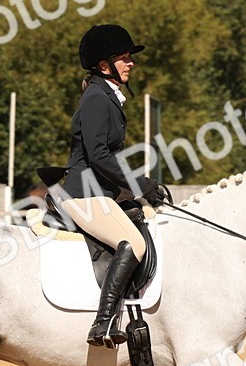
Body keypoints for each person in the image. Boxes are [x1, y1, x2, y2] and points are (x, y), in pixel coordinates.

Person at [59, 24, 167, 348]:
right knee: (134, 242)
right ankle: (103, 323)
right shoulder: (96, 99)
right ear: (104, 66)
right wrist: (140, 184)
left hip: (98, 191)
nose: (130, 63)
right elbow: (99, 157)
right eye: (123, 58)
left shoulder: (107, 98)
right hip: (82, 193)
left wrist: (138, 193)